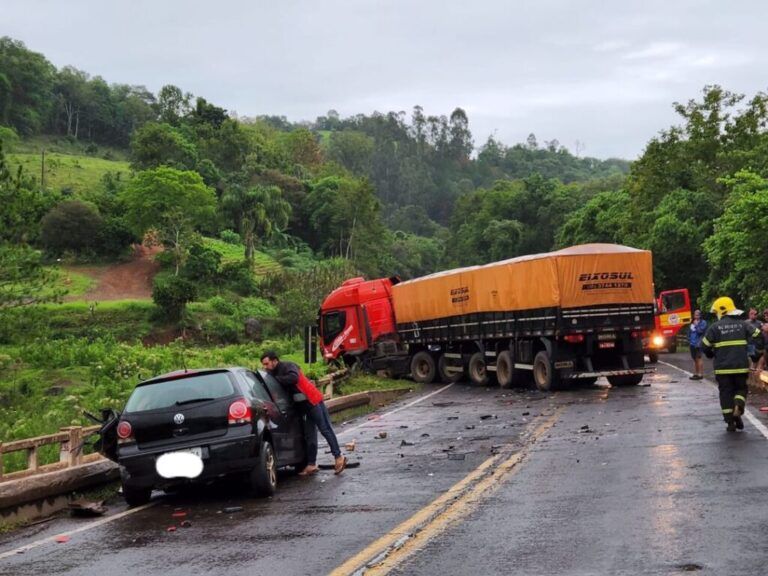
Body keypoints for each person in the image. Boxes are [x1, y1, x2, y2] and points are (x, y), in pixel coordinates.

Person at [260, 351, 347, 475]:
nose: (265, 367)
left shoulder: (287, 366)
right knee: (309, 434)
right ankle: (311, 464)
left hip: (312, 400)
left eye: (267, 364)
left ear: (274, 361)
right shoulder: (272, 374)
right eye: (263, 365)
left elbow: (293, 378)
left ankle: (338, 457)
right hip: (303, 406)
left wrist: (275, 379)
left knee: (325, 429)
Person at [702, 297, 763, 432]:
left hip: (722, 369)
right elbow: (759, 335)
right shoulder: (743, 324)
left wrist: (711, 354)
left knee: (725, 393)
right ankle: (739, 404)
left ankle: (730, 422)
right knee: (741, 389)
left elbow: (704, 346)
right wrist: (757, 353)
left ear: (720, 311)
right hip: (740, 366)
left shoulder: (714, 327)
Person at [688, 309, 707, 380]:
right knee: (695, 359)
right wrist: (689, 339)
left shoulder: (703, 322)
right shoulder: (692, 322)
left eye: (698, 314)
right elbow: (689, 332)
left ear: (700, 315)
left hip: (698, 343)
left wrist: (696, 325)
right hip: (692, 343)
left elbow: (700, 331)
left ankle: (700, 374)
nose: (696, 316)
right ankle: (696, 373)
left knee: (699, 358)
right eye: (695, 314)